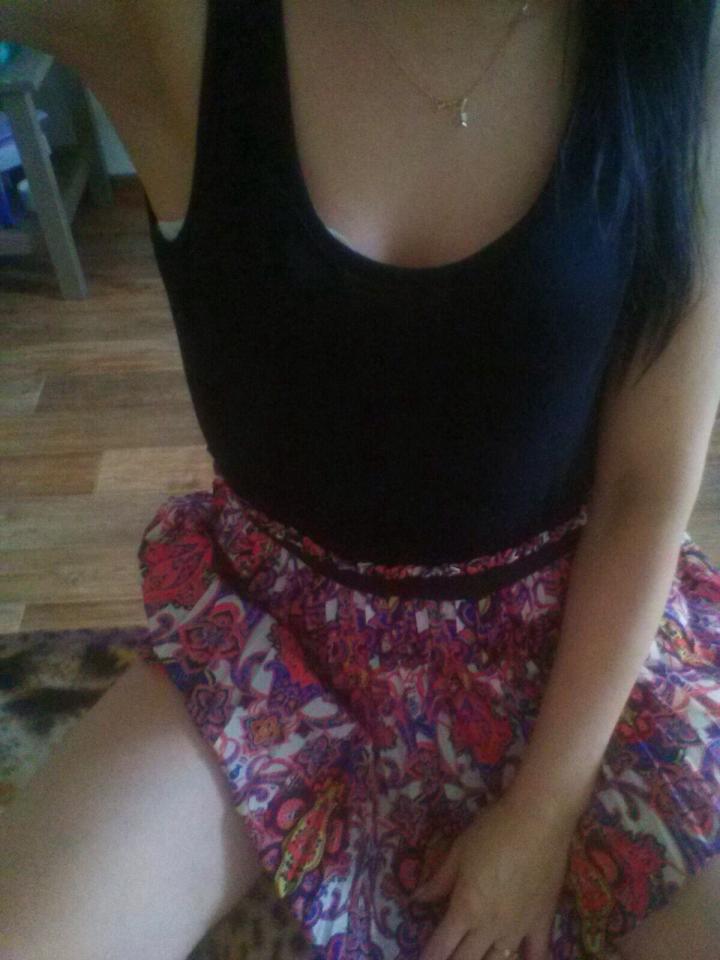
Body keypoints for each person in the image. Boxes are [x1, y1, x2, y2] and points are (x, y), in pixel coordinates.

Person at [1, 1, 720, 959]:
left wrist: (544, 812)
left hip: (569, 636)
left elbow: (643, 492)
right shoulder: (177, 24)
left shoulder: (673, 35)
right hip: (271, 643)